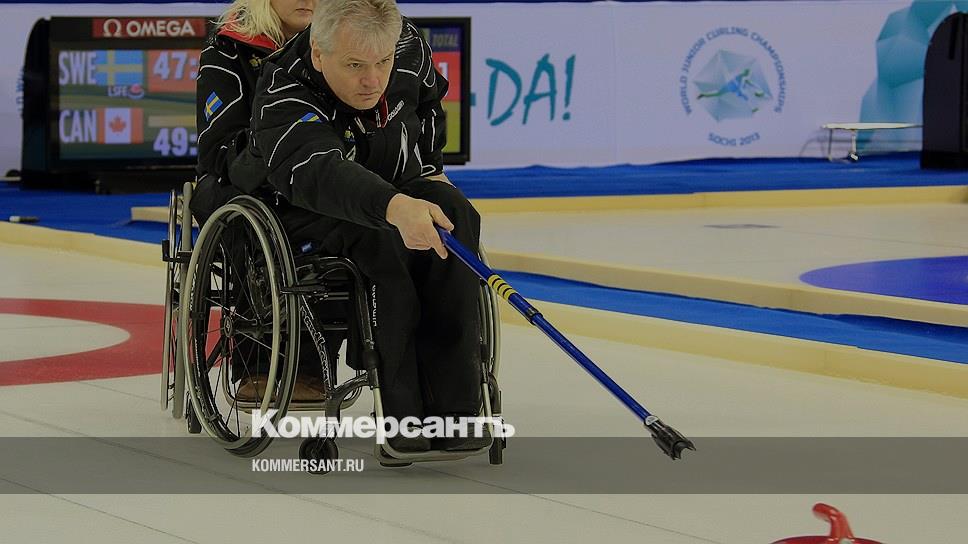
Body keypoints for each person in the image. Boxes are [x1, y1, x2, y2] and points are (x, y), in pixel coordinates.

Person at [247, 0, 488, 452]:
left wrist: (432, 166)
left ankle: (457, 410)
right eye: (355, 65)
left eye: (383, 62)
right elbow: (319, 170)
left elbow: (429, 100)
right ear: (320, 54)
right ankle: (402, 412)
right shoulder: (284, 85)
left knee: (455, 214)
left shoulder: (409, 45)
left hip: (399, 188)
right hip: (314, 209)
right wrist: (393, 207)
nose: (373, 80)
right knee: (384, 239)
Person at [193, 0, 330, 402]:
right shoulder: (229, 45)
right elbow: (219, 148)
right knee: (251, 217)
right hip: (237, 178)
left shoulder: (342, 44)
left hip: (311, 175)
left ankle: (319, 364)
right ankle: (256, 362)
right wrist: (281, 153)